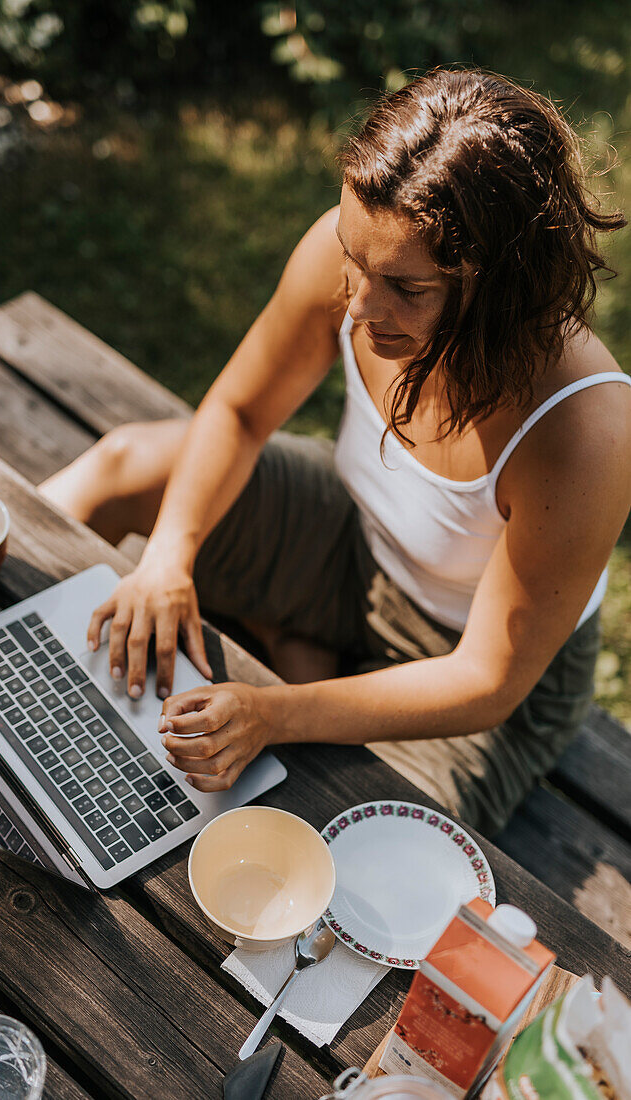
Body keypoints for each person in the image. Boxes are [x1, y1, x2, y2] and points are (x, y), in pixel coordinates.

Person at [40, 68, 631, 837]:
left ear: (500, 286)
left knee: (350, 840)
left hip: (467, 664)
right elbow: (241, 411)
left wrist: (271, 711)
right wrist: (167, 558)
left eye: (403, 288)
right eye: (353, 258)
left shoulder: (584, 429)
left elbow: (485, 681)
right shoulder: (358, 251)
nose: (356, 303)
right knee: (122, 468)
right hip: (352, 536)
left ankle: (299, 651)